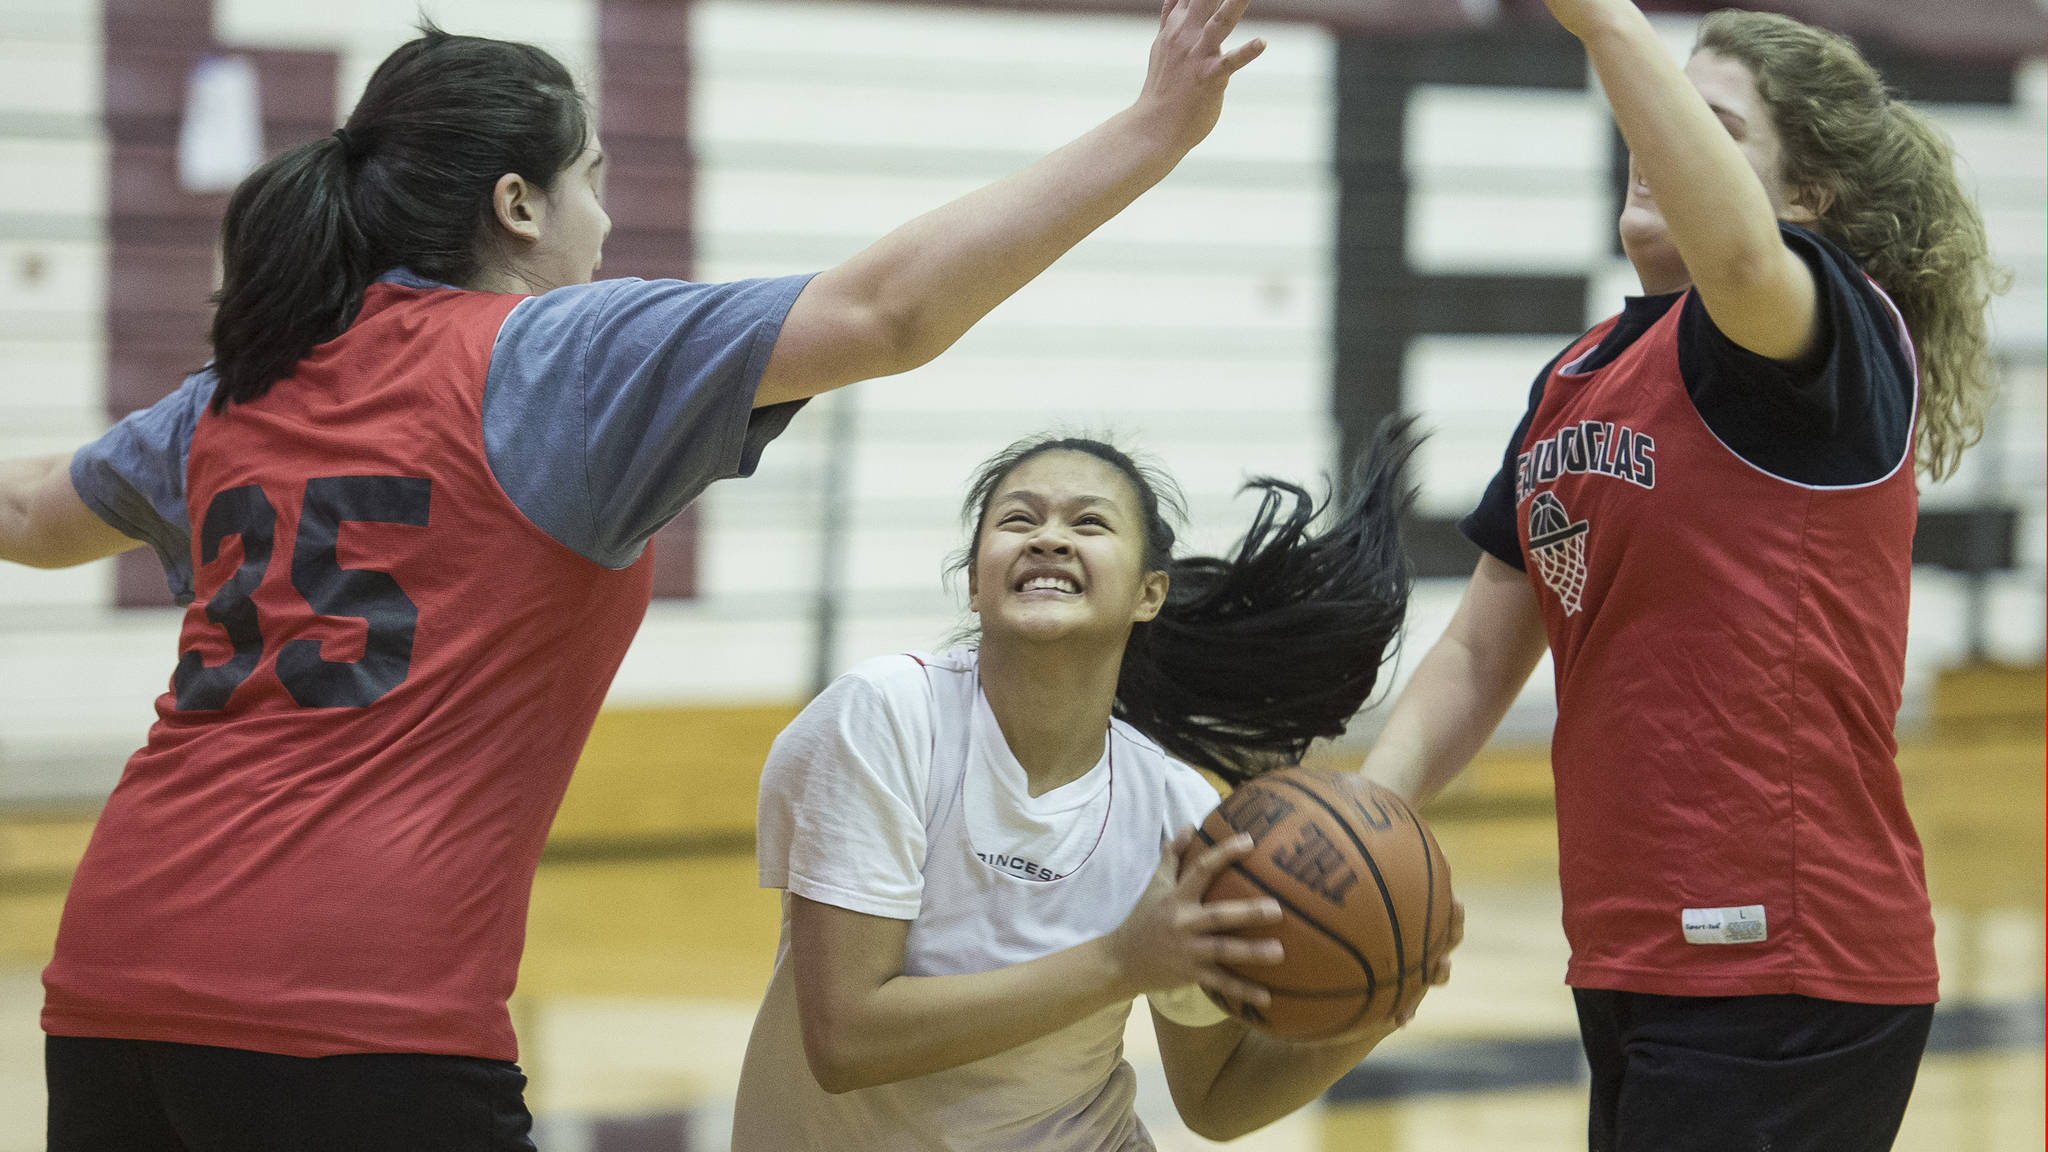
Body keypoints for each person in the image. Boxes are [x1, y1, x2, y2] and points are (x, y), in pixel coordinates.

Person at [0, 5, 1269, 1148]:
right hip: (355, 1012)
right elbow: (890, 313)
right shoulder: (553, 354)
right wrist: (1153, 132)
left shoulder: (246, 384)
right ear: (517, 206)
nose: (603, 223)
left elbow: (28, 515)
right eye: (592, 182)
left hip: (114, 980)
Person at [1359, 5, 2004, 1152]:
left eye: (1706, 129)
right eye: (1649, 115)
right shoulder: (1579, 372)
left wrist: (1605, 21)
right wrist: (1367, 809)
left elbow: (1744, 259)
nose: (1647, 142)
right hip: (1633, 943)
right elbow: (1478, 646)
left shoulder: (1816, 325)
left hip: (1786, 957)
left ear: (1806, 201)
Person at [732, 422, 1450, 1150]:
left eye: (1088, 522)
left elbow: (1215, 1101)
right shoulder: (884, 717)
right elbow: (847, 1039)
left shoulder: (1177, 809)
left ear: (1149, 594)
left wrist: (1384, 997)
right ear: (975, 583)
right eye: (1018, 518)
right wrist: (1120, 963)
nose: (1049, 537)